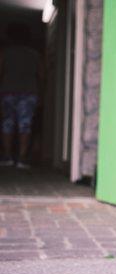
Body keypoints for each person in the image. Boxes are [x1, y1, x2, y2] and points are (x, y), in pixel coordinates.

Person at [0, 23, 42, 168]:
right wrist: (41, 93)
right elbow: (41, 76)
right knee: (25, 125)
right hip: (29, 92)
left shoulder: (5, 53)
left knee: (7, 123)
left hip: (8, 91)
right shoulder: (34, 54)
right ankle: (22, 158)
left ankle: (7, 156)